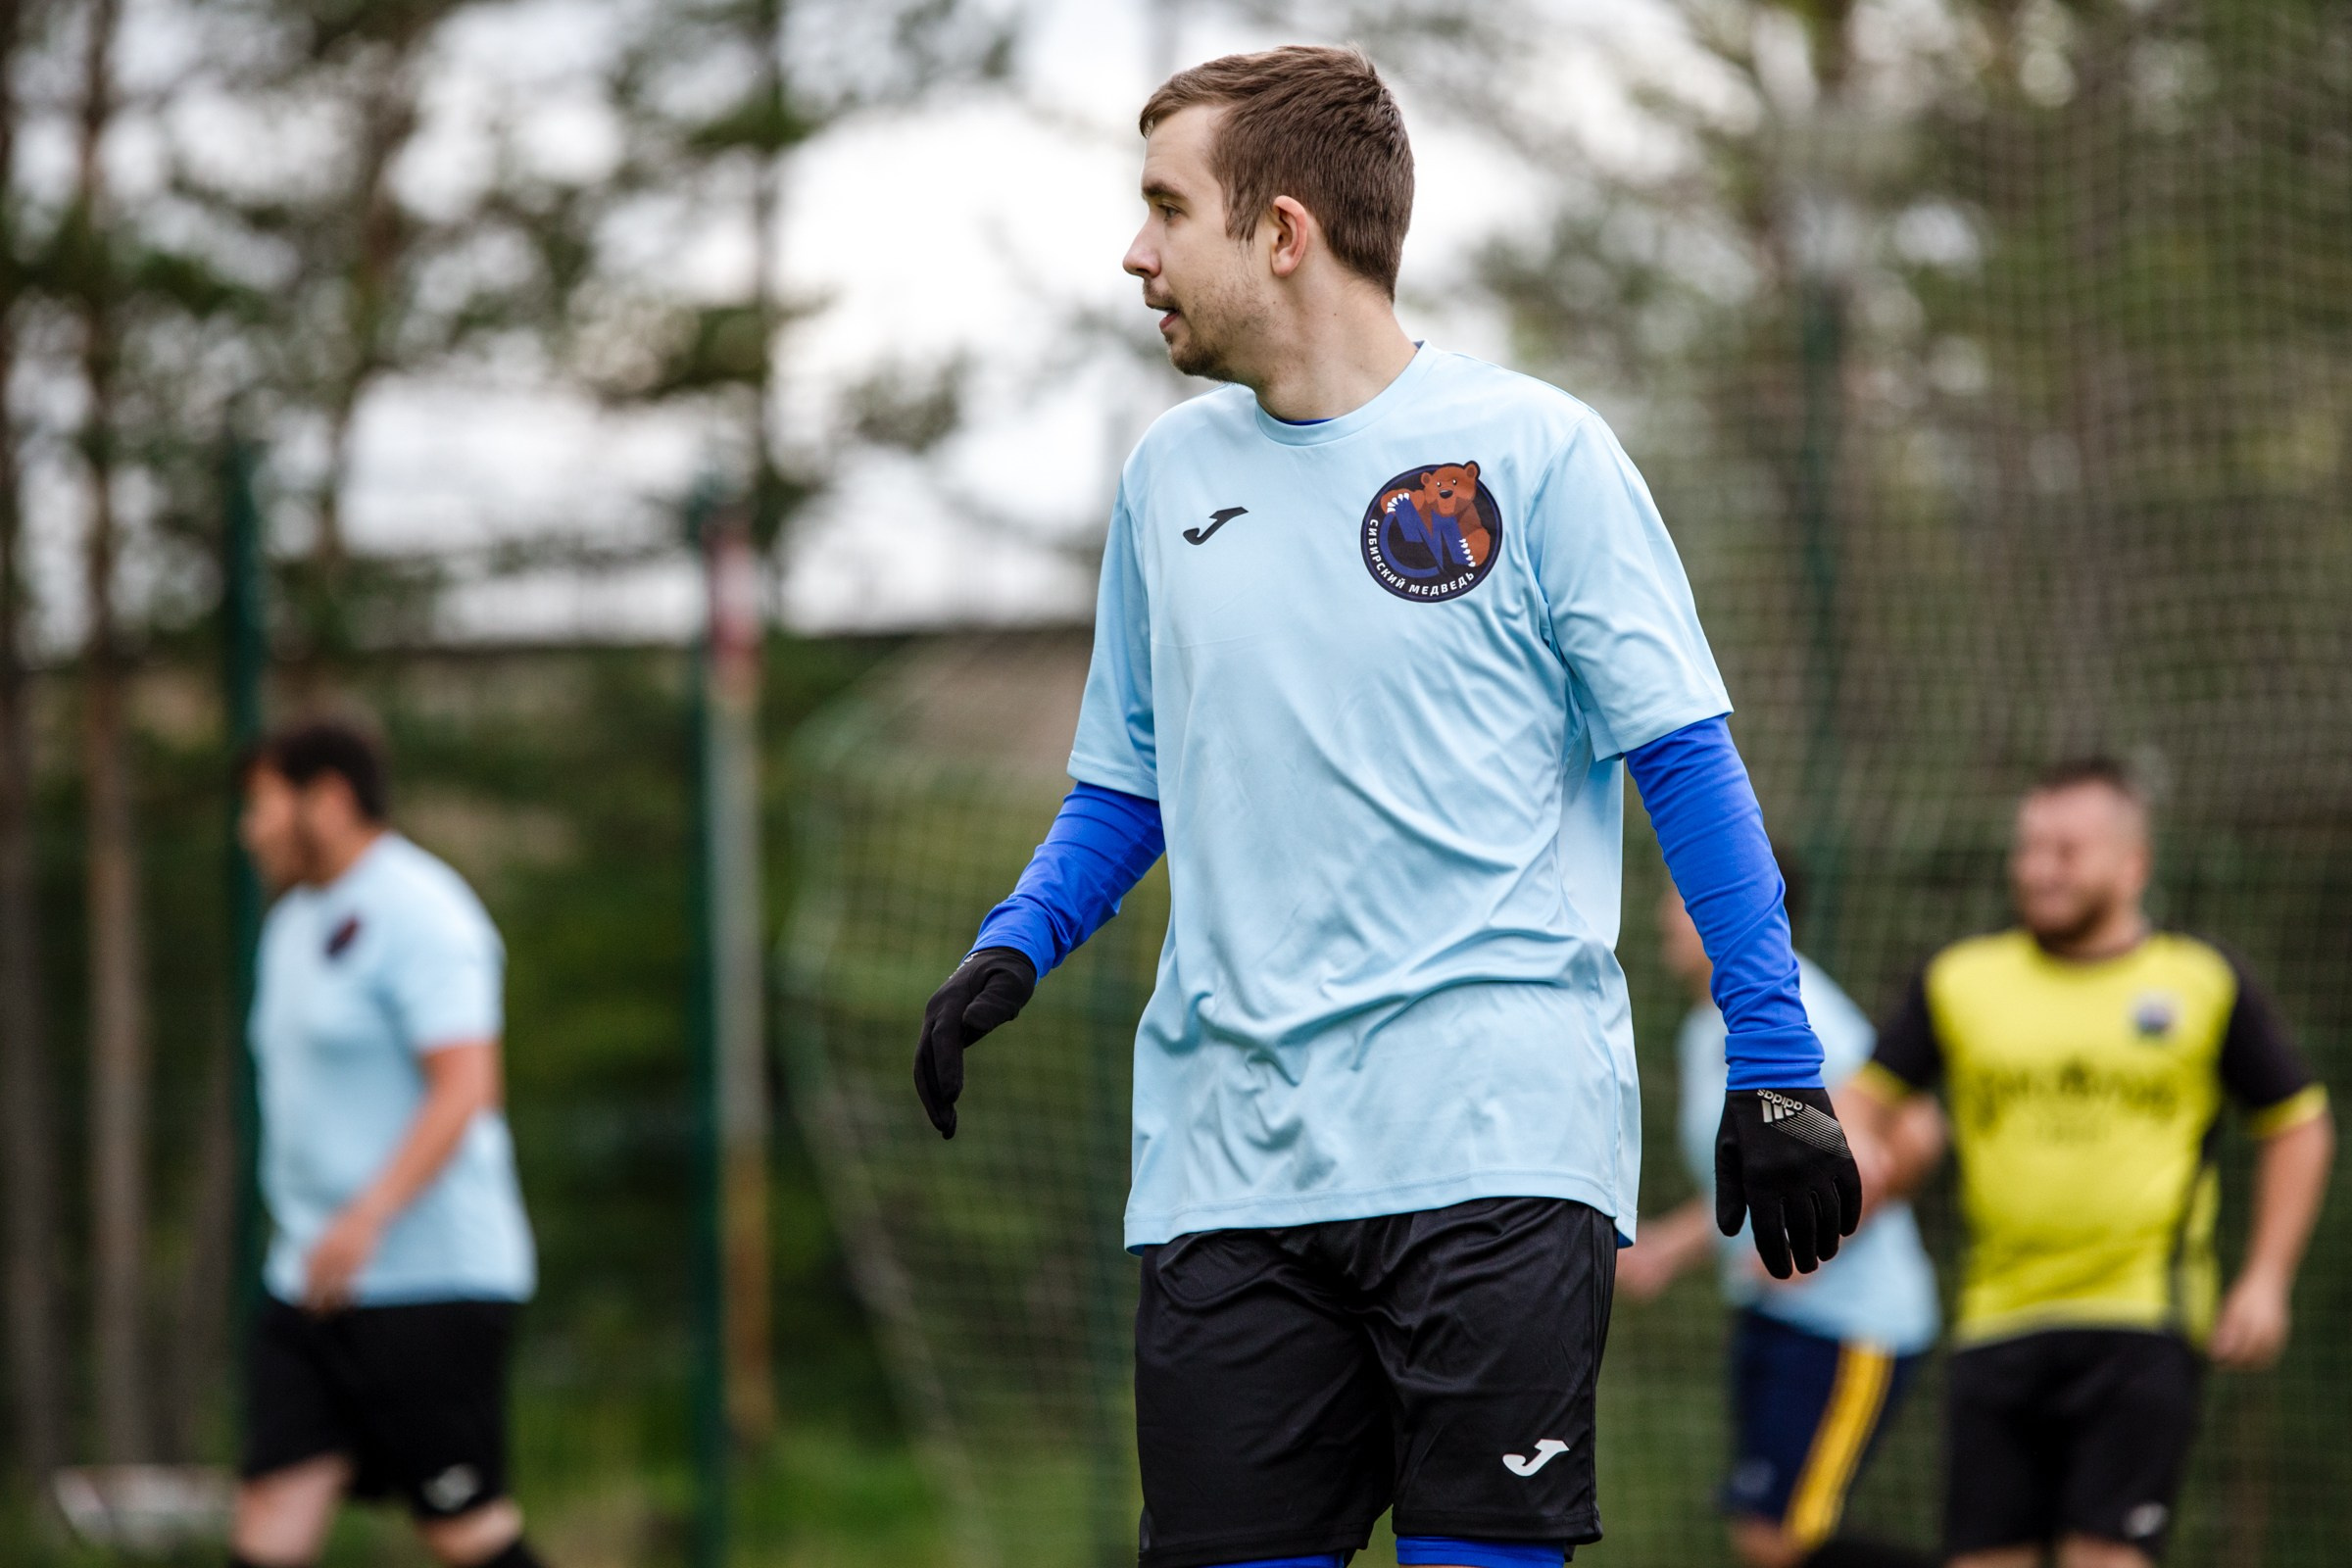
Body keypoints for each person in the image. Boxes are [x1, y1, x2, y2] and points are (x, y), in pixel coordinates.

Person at [909, 46, 1861, 1568]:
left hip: (1493, 1149)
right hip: (1227, 1165)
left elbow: (1685, 762)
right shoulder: (1168, 481)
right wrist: (1015, 944)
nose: (1137, 252)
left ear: (1283, 232)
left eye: (1168, 209)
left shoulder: (1540, 453)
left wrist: (1779, 1062)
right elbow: (1131, 780)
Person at [1847, 758, 2334, 1568]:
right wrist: (1857, 1145)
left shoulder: (2199, 982)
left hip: (2141, 1318)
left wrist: (2266, 1278)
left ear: (2133, 864)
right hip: (1996, 1317)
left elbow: (2298, 1124)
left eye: (2066, 851)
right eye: (2029, 848)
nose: (2040, 869)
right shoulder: (1962, 980)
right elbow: (1863, 1097)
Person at [231, 719, 545, 1568]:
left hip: (428, 1280)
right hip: (309, 1281)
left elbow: (466, 1087)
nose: (250, 829)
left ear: (328, 800)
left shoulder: (422, 911)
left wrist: (367, 1215)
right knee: (270, 1512)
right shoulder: (293, 923)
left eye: (262, 804)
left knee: (464, 1529)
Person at [1618, 859, 1943, 1568]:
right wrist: (1665, 1249)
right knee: (1764, 1535)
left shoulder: (1796, 1013)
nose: (1665, 916)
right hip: (1774, 1314)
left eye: (1680, 899)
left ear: (1730, 906)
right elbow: (1776, 1168)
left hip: (1852, 1322)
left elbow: (1911, 1133)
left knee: (1780, 1539)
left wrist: (1815, 1247)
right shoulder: (1709, 1027)